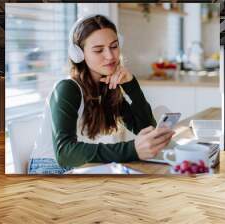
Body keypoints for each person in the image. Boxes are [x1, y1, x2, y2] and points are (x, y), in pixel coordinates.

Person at [28, 14, 174, 174]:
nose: (110, 56)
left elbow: (147, 130)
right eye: (98, 50)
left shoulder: (108, 86)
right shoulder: (67, 89)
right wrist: (132, 149)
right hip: (50, 169)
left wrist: (131, 84)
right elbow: (65, 154)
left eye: (114, 46)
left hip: (81, 167)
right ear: (79, 54)